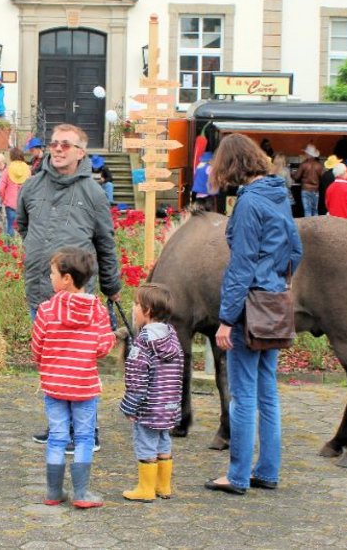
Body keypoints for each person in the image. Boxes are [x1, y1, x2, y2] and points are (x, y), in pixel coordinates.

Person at [205, 133, 302, 496]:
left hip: (250, 307)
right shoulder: (279, 196)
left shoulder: (248, 203)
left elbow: (241, 266)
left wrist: (227, 319)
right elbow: (296, 249)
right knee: (267, 393)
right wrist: (277, 280)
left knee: (242, 395)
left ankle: (238, 475)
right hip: (274, 302)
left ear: (232, 165)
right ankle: (268, 471)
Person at [18, 123, 121, 450]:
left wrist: (111, 285)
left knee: (78, 365)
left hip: (78, 298)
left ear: (80, 152)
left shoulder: (92, 193)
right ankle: (59, 426)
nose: (58, 149)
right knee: (51, 362)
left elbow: (106, 242)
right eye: (54, 144)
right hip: (41, 291)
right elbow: (23, 227)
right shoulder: (32, 187)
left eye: (66, 144)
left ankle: (88, 432)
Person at [31, 246, 115, 509]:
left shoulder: (46, 310)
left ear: (67, 278)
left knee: (57, 436)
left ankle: (54, 492)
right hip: (84, 385)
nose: (50, 277)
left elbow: (37, 346)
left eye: (53, 273)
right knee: (84, 437)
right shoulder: (98, 311)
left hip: (54, 384)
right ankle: (81, 493)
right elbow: (103, 347)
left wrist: (46, 363)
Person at [120, 283, 183, 503]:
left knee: (145, 443)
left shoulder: (144, 342)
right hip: (169, 406)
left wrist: (129, 406)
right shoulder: (172, 337)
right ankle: (163, 486)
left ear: (147, 311)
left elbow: (137, 379)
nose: (133, 308)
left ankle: (145, 489)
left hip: (148, 408)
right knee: (164, 441)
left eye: (137, 304)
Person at [0, 148, 29, 238]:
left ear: (11, 157)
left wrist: (3, 198)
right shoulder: (27, 169)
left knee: (10, 225)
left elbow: (1, 187)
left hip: (10, 202)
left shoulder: (8, 170)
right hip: (24, 202)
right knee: (24, 226)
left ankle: (10, 248)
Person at [295, 144, 323, 217]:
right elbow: (322, 178)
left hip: (305, 189)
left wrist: (291, 174)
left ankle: (308, 228)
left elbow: (296, 177)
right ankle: (316, 228)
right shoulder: (319, 166)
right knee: (315, 211)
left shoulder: (304, 165)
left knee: (307, 211)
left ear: (307, 154)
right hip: (315, 190)